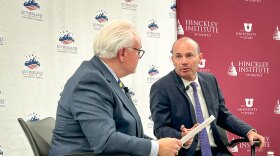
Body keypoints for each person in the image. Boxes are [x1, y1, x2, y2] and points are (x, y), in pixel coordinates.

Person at [48, 19, 185, 156]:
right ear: (123, 53)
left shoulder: (105, 77)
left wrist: (162, 145)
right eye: (138, 51)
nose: (139, 57)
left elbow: (127, 131)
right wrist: (155, 148)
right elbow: (105, 141)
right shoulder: (90, 81)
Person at [149, 37, 266, 156]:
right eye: (178, 56)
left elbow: (222, 115)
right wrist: (181, 136)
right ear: (173, 59)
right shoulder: (161, 87)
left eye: (189, 55)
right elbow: (160, 129)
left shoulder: (210, 80)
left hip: (217, 151)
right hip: (187, 152)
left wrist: (248, 132)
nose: (184, 61)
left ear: (200, 57)